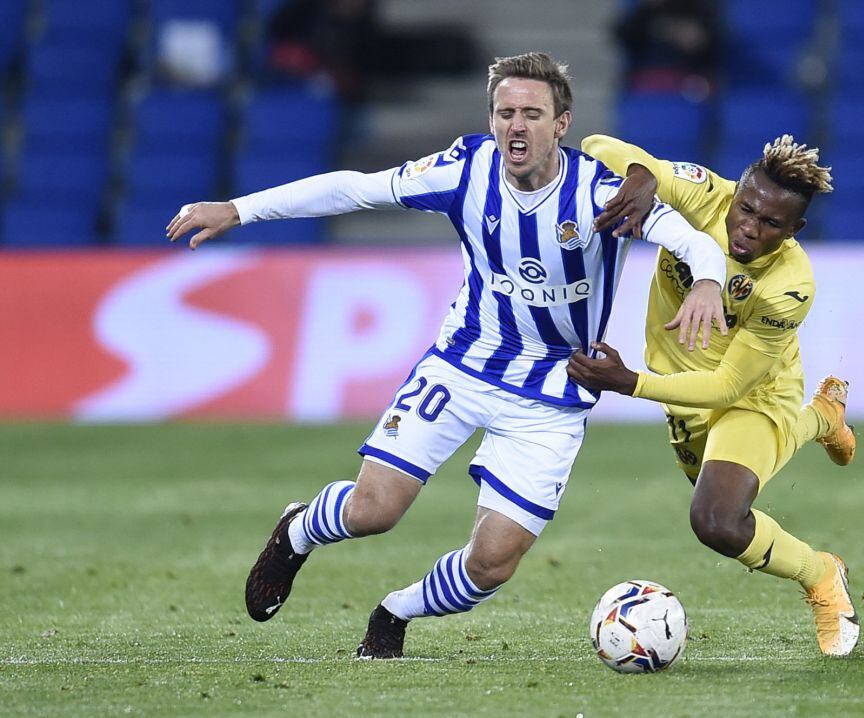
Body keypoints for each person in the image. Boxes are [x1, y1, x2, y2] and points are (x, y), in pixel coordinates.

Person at [166, 52, 730, 659]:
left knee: (492, 563)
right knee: (373, 510)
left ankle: (395, 610)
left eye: (532, 114)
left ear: (561, 125)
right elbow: (357, 189)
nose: (517, 126)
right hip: (463, 364)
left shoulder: (600, 191)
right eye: (505, 112)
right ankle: (298, 530)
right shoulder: (464, 171)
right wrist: (239, 208)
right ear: (491, 118)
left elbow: (692, 240)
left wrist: (705, 281)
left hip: (553, 391)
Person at [568, 133, 861, 657]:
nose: (749, 226)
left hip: (753, 394)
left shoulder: (790, 285)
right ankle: (821, 419)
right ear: (737, 194)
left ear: (795, 230)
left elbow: (728, 385)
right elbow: (594, 144)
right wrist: (642, 177)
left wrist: (627, 382)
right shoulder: (706, 195)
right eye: (746, 209)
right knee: (714, 495)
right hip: (681, 393)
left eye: (770, 223)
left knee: (717, 521)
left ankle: (822, 576)